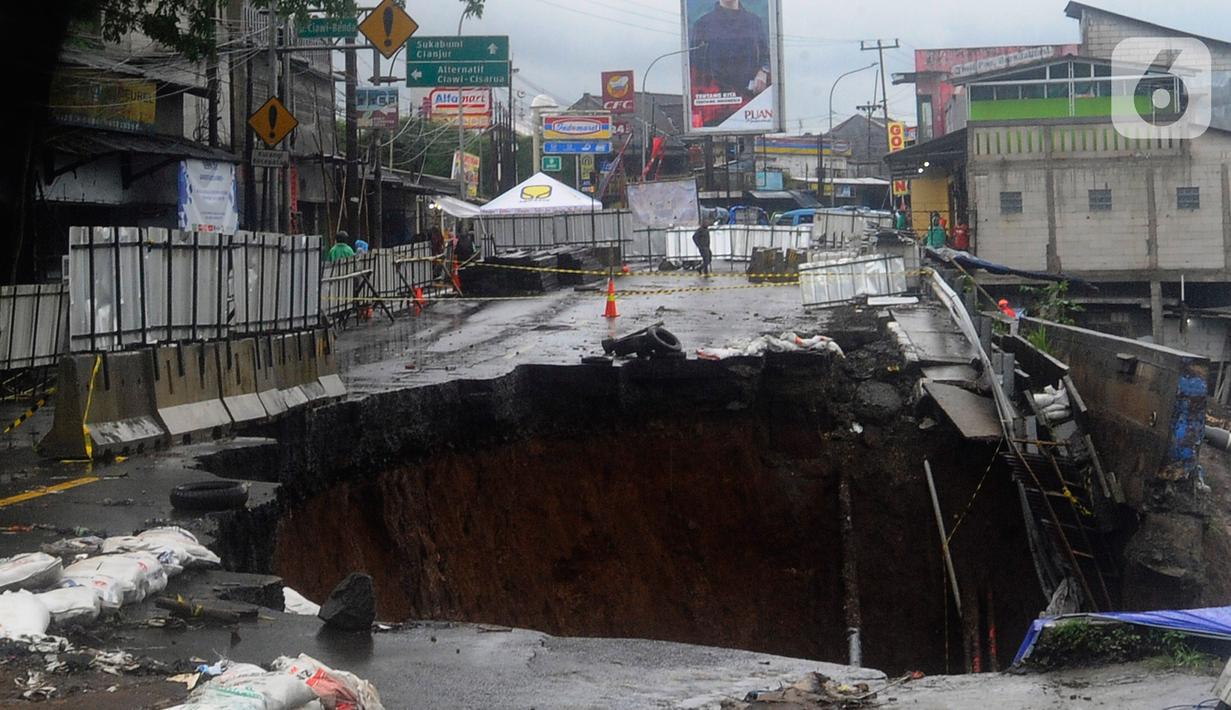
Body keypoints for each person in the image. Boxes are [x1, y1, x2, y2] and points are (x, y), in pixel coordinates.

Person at [689, 0, 771, 126]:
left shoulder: (754, 22)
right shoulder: (702, 25)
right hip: (715, 106)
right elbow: (695, 69)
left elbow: (767, 56)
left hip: (750, 106)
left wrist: (763, 71)